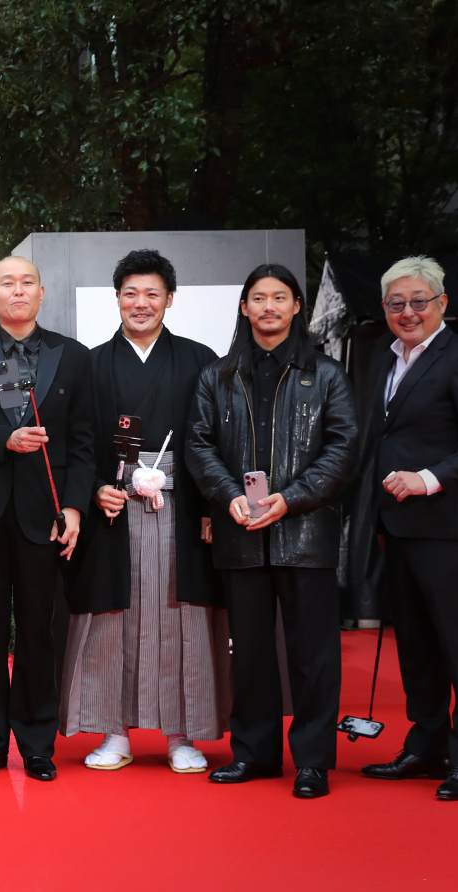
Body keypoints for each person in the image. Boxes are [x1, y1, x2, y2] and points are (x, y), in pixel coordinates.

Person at [185, 263, 358, 799]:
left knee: (313, 655)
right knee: (252, 652)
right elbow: (198, 443)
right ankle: (256, 754)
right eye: (258, 298)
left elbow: (344, 447)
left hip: (305, 535)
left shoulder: (326, 374)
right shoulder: (217, 376)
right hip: (241, 531)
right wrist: (230, 496)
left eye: (279, 298)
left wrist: (292, 499)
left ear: (297, 306)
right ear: (244, 308)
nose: (269, 307)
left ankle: (311, 760)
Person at [62, 249, 229, 773]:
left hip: (182, 504)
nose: (141, 303)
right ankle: (115, 732)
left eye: (152, 293)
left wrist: (207, 507)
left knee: (183, 618)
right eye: (130, 293)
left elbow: (213, 440)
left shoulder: (200, 359)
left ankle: (182, 734)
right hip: (115, 509)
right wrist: (93, 489)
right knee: (118, 619)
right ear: (117, 299)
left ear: (170, 300)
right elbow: (78, 441)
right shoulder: (90, 362)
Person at [354, 257, 458, 801]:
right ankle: (426, 746)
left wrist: (428, 478)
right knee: (415, 648)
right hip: (396, 529)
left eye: (419, 301)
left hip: (451, 528)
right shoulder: (380, 359)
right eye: (397, 303)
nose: (408, 312)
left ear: (442, 304)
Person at [0, 256, 94, 780]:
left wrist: (73, 506)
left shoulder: (72, 356)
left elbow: (82, 440)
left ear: (42, 292)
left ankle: (36, 743)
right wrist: (3, 438)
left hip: (43, 513)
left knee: (39, 629)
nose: (18, 290)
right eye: (7, 283)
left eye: (27, 282)